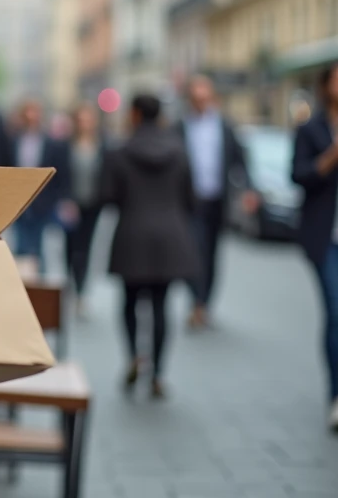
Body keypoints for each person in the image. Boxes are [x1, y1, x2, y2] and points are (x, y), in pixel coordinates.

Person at [103, 94, 200, 400]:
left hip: (132, 234)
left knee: (129, 303)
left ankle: (134, 356)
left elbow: (108, 195)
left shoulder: (120, 152)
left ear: (134, 114)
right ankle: (158, 373)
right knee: (161, 306)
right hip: (170, 237)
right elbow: (191, 198)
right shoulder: (179, 151)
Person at [175, 74, 254, 329]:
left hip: (216, 201)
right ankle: (196, 300)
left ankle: (204, 302)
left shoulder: (224, 126)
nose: (201, 103)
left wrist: (249, 189)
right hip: (189, 202)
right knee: (192, 251)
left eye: (205, 98)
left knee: (210, 254)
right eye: (196, 98)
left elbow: (241, 160)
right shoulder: (179, 127)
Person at [291, 63, 338, 432]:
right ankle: (336, 396)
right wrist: (329, 158)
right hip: (327, 238)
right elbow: (298, 175)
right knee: (336, 312)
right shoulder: (311, 129)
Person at [8, 98, 70, 274]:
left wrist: (61, 199)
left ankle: (39, 283)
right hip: (18, 202)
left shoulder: (51, 143)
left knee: (41, 247)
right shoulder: (13, 140)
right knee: (21, 246)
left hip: (43, 202)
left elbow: (61, 174)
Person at [61, 102, 108, 317]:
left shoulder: (102, 146)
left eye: (88, 119)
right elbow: (60, 175)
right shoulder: (66, 146)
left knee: (86, 246)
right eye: (81, 119)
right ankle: (70, 282)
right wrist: (65, 199)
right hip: (71, 204)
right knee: (70, 246)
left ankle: (81, 290)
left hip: (92, 205)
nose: (85, 124)